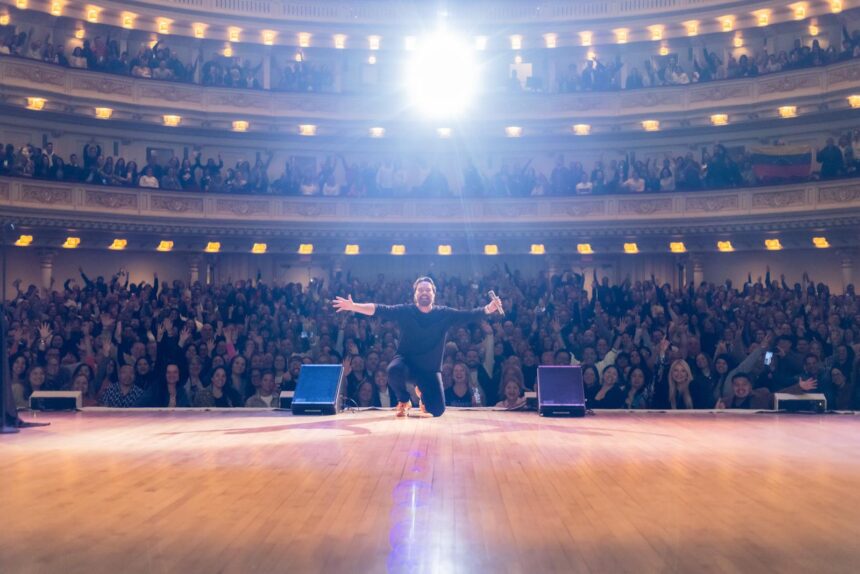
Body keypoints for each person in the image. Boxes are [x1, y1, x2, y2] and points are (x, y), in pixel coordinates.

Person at [332, 276, 502, 417]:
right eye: (420, 290)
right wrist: (354, 306)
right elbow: (380, 309)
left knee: (437, 411)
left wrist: (488, 308)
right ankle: (404, 401)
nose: (424, 292)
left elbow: (467, 315)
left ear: (434, 294)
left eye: (428, 290)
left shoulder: (444, 314)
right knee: (392, 370)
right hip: (406, 364)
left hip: (429, 370)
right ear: (415, 294)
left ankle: (422, 394)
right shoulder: (406, 311)